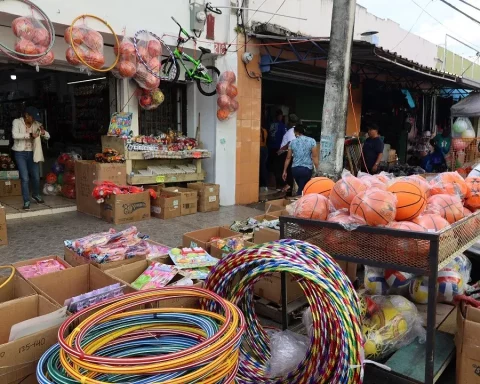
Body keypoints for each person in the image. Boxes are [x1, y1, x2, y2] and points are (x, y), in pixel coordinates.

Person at [12, 106, 50, 210]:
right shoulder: (17, 122)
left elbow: (47, 136)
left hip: (33, 153)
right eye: (32, 117)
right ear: (26, 115)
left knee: (36, 177)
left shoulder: (37, 124)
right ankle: (26, 201)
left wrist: (43, 133)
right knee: (25, 178)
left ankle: (36, 194)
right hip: (20, 153)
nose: (34, 120)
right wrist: (29, 135)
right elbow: (15, 135)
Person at [282, 125, 319, 195]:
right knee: (302, 189)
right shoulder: (312, 141)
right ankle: (300, 200)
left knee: (302, 188)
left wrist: (284, 171)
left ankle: (300, 198)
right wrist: (318, 169)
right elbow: (314, 156)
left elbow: (288, 158)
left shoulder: (292, 142)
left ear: (296, 132)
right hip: (306, 170)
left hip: (295, 170)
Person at [277, 114, 298, 193]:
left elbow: (290, 143)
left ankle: (287, 185)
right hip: (289, 153)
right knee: (287, 171)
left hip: (286, 153)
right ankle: (288, 186)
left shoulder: (291, 131)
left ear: (290, 122)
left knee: (283, 171)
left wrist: (280, 150)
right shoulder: (295, 130)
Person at [267, 110, 287, 190]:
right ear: (280, 116)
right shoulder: (282, 126)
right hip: (279, 149)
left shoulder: (269, 125)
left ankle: (271, 185)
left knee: (271, 167)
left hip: (270, 148)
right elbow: (285, 138)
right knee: (279, 168)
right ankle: (279, 185)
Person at [259, 124, 269, 192]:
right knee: (263, 166)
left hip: (260, 148)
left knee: (261, 167)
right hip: (265, 148)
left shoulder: (257, 131)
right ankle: (264, 185)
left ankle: (262, 184)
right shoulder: (264, 130)